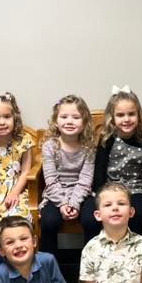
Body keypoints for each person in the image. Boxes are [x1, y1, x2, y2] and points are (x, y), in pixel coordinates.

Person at [79, 87, 142, 243]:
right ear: (112, 117)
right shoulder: (107, 138)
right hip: (108, 187)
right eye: (120, 115)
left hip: (135, 188)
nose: (126, 119)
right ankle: (96, 255)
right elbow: (99, 169)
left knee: (135, 213)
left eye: (131, 114)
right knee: (89, 217)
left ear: (138, 115)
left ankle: (131, 255)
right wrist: (101, 194)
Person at [38, 95, 96, 256]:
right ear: (56, 121)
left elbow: (85, 180)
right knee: (49, 222)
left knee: (92, 220)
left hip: (82, 194)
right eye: (64, 117)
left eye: (76, 117)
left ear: (84, 122)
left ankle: (89, 269)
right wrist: (63, 204)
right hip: (55, 194)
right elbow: (50, 179)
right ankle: (49, 270)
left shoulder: (88, 148)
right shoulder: (50, 146)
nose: (69, 121)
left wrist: (75, 203)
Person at [0, 92, 35, 234]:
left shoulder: (24, 140)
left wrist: (14, 193)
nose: (2, 122)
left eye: (7, 117)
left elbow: (26, 172)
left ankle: (15, 251)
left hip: (18, 188)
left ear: (14, 117)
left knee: (17, 217)